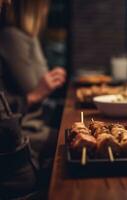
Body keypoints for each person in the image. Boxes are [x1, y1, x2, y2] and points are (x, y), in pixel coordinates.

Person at [0, 0, 66, 190]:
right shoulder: (12, 36)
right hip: (27, 129)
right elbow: (33, 87)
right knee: (69, 143)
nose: (47, 9)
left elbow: (40, 78)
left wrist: (33, 34)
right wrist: (42, 89)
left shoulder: (26, 36)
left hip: (31, 126)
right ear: (34, 7)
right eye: (44, 5)